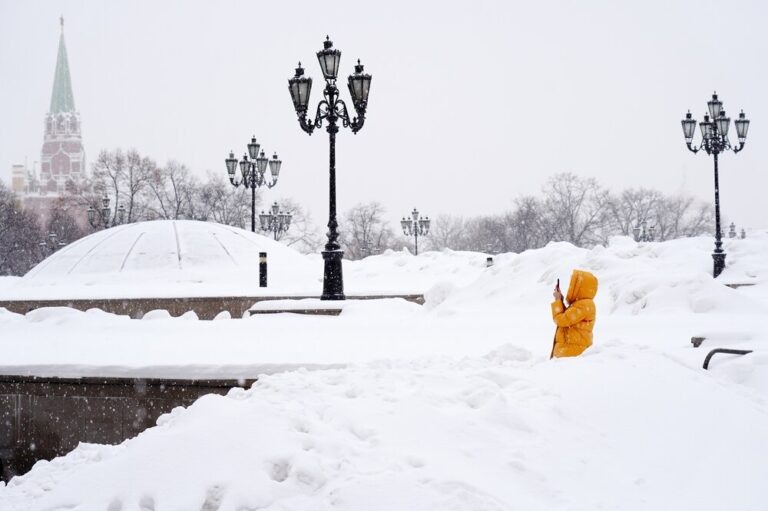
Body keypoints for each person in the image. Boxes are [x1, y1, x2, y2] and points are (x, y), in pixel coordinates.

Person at [550, 269, 598, 358]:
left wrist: (557, 301)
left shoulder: (583, 305)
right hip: (571, 352)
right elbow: (568, 319)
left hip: (571, 354)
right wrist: (560, 300)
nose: (570, 287)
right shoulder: (582, 304)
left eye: (573, 284)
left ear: (579, 286)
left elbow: (561, 320)